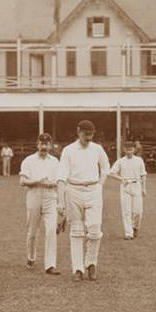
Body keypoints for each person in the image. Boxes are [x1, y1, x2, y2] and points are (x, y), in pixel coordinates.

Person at [57, 120, 110, 282]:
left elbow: (106, 168)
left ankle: (91, 263)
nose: (89, 137)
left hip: (93, 189)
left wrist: (99, 185)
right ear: (78, 132)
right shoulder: (68, 150)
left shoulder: (97, 149)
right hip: (73, 190)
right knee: (77, 232)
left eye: (91, 134)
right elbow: (61, 177)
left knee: (95, 230)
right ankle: (78, 269)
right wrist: (61, 201)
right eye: (86, 134)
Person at [19, 133, 61, 275]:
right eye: (41, 144)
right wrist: (38, 181)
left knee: (50, 230)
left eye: (46, 144)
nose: (44, 147)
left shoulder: (55, 162)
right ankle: (31, 257)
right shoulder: (29, 161)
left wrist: (50, 183)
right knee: (32, 231)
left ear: (50, 145)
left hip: (50, 196)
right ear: (37, 144)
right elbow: (22, 181)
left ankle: (50, 264)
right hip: (34, 195)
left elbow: (59, 181)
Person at [109, 141, 148, 240]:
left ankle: (135, 227)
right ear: (124, 149)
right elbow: (112, 173)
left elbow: (143, 174)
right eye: (127, 148)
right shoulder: (120, 161)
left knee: (138, 211)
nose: (129, 150)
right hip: (126, 187)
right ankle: (128, 233)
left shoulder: (139, 160)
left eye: (131, 148)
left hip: (137, 185)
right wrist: (122, 179)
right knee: (126, 211)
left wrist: (143, 188)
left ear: (134, 149)